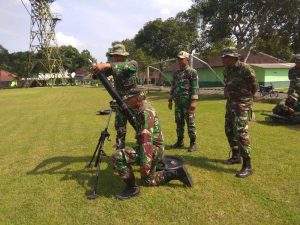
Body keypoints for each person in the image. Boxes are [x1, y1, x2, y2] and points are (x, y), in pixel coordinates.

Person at [112, 88, 193, 200]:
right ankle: (176, 173)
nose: (126, 101)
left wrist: (145, 166)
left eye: (128, 99)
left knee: (118, 156)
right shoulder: (142, 107)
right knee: (147, 181)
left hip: (152, 149)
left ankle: (133, 189)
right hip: (157, 149)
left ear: (137, 99)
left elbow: (146, 142)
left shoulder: (145, 113)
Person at [91, 43, 138, 149]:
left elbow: (129, 68)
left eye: (118, 55)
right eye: (114, 56)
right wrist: (96, 70)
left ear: (124, 55)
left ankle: (143, 148)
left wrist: (107, 65)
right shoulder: (113, 67)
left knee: (138, 126)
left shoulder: (132, 63)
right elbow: (97, 76)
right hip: (120, 102)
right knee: (120, 128)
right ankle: (120, 152)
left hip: (134, 102)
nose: (116, 57)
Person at [221, 47, 258, 178]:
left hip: (242, 105)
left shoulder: (245, 69)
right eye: (223, 57)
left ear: (233, 57)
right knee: (229, 130)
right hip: (230, 104)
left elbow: (254, 87)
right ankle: (236, 156)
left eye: (226, 57)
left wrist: (246, 101)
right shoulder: (226, 70)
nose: (223, 59)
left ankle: (247, 165)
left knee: (240, 132)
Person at [168, 51, 199, 152]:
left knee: (190, 122)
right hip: (178, 102)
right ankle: (180, 141)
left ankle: (193, 143)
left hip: (188, 102)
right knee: (179, 122)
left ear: (187, 59)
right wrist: (170, 99)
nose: (180, 61)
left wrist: (194, 101)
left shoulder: (192, 72)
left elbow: (195, 87)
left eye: (182, 59)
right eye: (179, 59)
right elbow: (173, 86)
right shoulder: (176, 73)